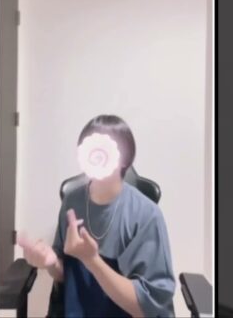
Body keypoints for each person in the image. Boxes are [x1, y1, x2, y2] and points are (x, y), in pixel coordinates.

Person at [18, 115, 176, 317]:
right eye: (90, 147)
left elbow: (147, 307)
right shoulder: (72, 202)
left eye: (105, 147)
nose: (97, 154)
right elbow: (67, 277)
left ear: (125, 158)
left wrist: (91, 260)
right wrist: (51, 263)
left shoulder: (146, 215)